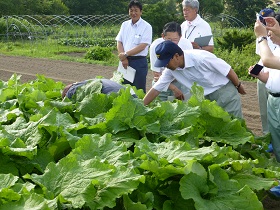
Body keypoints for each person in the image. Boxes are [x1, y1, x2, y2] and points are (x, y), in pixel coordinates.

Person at [143, 40, 246, 118]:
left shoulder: (201, 58)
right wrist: (140, 106)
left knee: (234, 124)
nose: (165, 66)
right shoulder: (171, 69)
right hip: (204, 97)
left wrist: (238, 85)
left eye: (166, 62)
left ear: (176, 56)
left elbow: (228, 70)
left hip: (223, 92)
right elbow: (157, 88)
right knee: (214, 129)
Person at [252, 16, 280, 162]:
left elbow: (268, 60)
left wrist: (261, 37)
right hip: (273, 98)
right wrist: (261, 76)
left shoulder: (272, 52)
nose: (270, 35)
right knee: (277, 142)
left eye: (271, 33)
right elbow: (272, 77)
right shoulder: (276, 49)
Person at [115, 0, 152, 93]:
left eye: (136, 10)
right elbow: (119, 42)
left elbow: (142, 46)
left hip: (139, 63)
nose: (133, 13)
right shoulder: (125, 25)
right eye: (131, 10)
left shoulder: (147, 26)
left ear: (141, 12)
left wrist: (125, 54)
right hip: (125, 62)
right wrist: (123, 58)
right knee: (123, 89)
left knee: (138, 91)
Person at [150, 21, 193, 101]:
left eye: (175, 40)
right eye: (169, 39)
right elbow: (156, 75)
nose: (172, 43)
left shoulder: (186, 44)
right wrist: (174, 89)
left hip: (181, 83)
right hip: (162, 84)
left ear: (180, 36)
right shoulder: (155, 46)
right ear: (163, 36)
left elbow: (188, 70)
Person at [255, 8, 277, 135]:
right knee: (264, 109)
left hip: (275, 75)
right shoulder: (260, 34)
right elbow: (261, 57)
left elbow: (269, 59)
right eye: (262, 20)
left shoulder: (275, 33)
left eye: (267, 20)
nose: (264, 24)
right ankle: (267, 135)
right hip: (263, 74)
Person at [62, 78, 137, 100]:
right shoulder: (92, 81)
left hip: (117, 98)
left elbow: (66, 103)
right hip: (133, 96)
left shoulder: (72, 90)